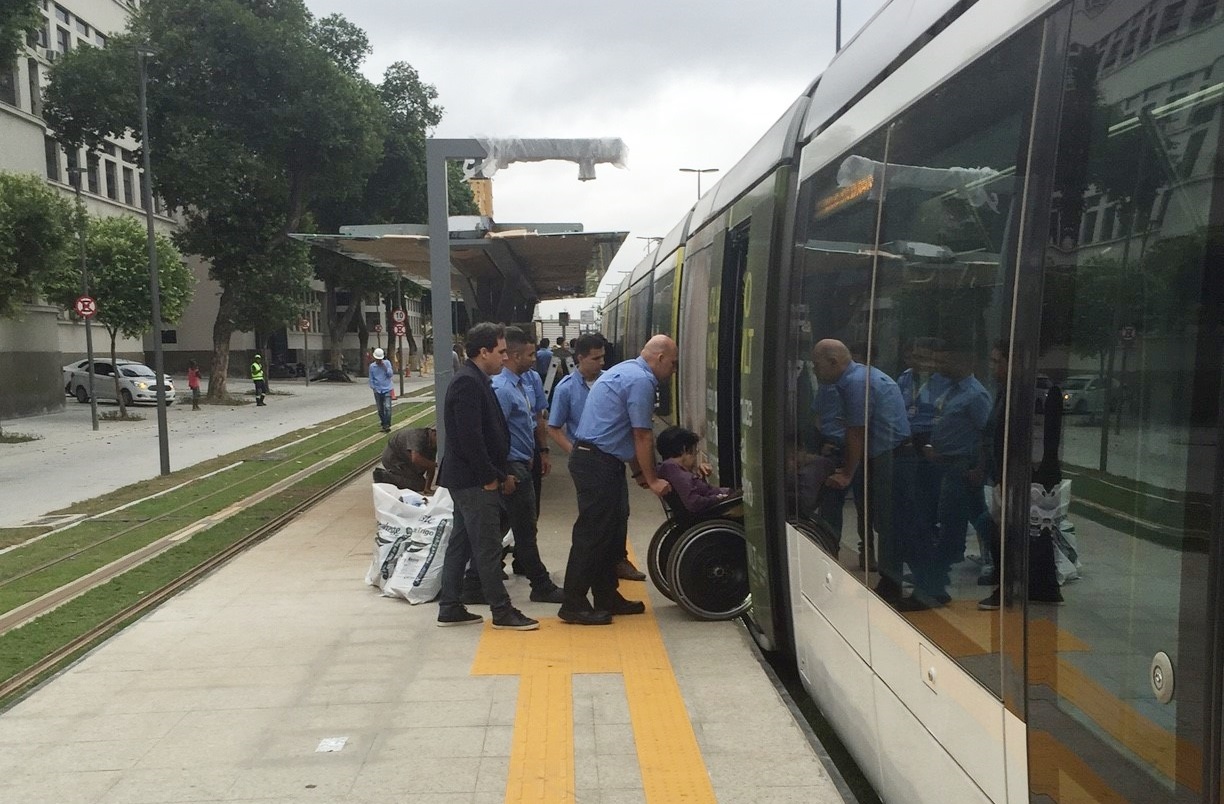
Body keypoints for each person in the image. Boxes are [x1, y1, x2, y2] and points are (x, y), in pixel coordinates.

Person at [559, 334, 678, 626]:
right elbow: (641, 434)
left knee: (610, 536)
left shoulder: (626, 370)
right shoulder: (641, 381)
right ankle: (573, 603)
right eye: (673, 365)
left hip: (599, 460)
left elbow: (624, 430)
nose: (673, 371)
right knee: (593, 534)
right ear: (660, 358)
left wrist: (638, 471)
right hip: (596, 462)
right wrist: (652, 480)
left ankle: (606, 597)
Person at [435, 322, 538, 631]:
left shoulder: (476, 379)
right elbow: (470, 439)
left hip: (470, 477)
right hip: (473, 480)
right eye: (501, 351)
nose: (505, 358)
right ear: (484, 352)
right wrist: (490, 477)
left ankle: (450, 606)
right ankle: (502, 611)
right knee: (487, 546)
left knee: (462, 542)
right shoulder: (468, 383)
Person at [811, 339, 912, 605]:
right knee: (882, 520)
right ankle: (892, 578)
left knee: (888, 522)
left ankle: (892, 583)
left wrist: (846, 472)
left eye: (816, 364)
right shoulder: (855, 379)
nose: (814, 370)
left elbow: (857, 432)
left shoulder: (856, 384)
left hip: (888, 456)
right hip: (883, 455)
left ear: (833, 362)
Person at [547, 333, 645, 581]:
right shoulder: (566, 388)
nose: (601, 363)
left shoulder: (611, 382)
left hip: (611, 460)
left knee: (620, 511)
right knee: (595, 520)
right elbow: (554, 427)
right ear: (580, 358)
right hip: (589, 459)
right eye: (595, 358)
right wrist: (573, 451)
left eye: (603, 357)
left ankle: (617, 560)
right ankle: (597, 570)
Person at [490, 327, 565, 603]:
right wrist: (505, 471)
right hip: (513, 466)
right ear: (513, 355)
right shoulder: (502, 389)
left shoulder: (522, 383)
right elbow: (495, 434)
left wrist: (539, 450)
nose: (535, 359)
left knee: (519, 525)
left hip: (523, 462)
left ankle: (476, 579)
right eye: (530, 354)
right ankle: (540, 584)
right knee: (524, 527)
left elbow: (535, 420)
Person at [656, 426, 736, 514]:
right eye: (695, 451)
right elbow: (694, 503)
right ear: (684, 449)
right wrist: (717, 498)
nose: (695, 458)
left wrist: (700, 475)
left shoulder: (671, 470)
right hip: (716, 509)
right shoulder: (677, 474)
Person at [374, 426, 437, 493]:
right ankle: (383, 477)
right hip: (393, 458)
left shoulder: (433, 444)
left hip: (406, 459)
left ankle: (402, 478)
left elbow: (431, 467)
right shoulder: (417, 436)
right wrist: (436, 465)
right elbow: (416, 458)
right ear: (434, 434)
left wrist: (427, 488)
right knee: (419, 485)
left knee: (420, 483)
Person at [369, 347, 394, 433]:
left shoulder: (387, 363)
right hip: (377, 390)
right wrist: (373, 388)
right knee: (380, 409)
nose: (379, 361)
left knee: (387, 407)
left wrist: (385, 367)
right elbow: (371, 378)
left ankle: (387, 424)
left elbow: (390, 374)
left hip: (387, 388)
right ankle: (383, 424)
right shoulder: (372, 366)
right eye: (377, 359)